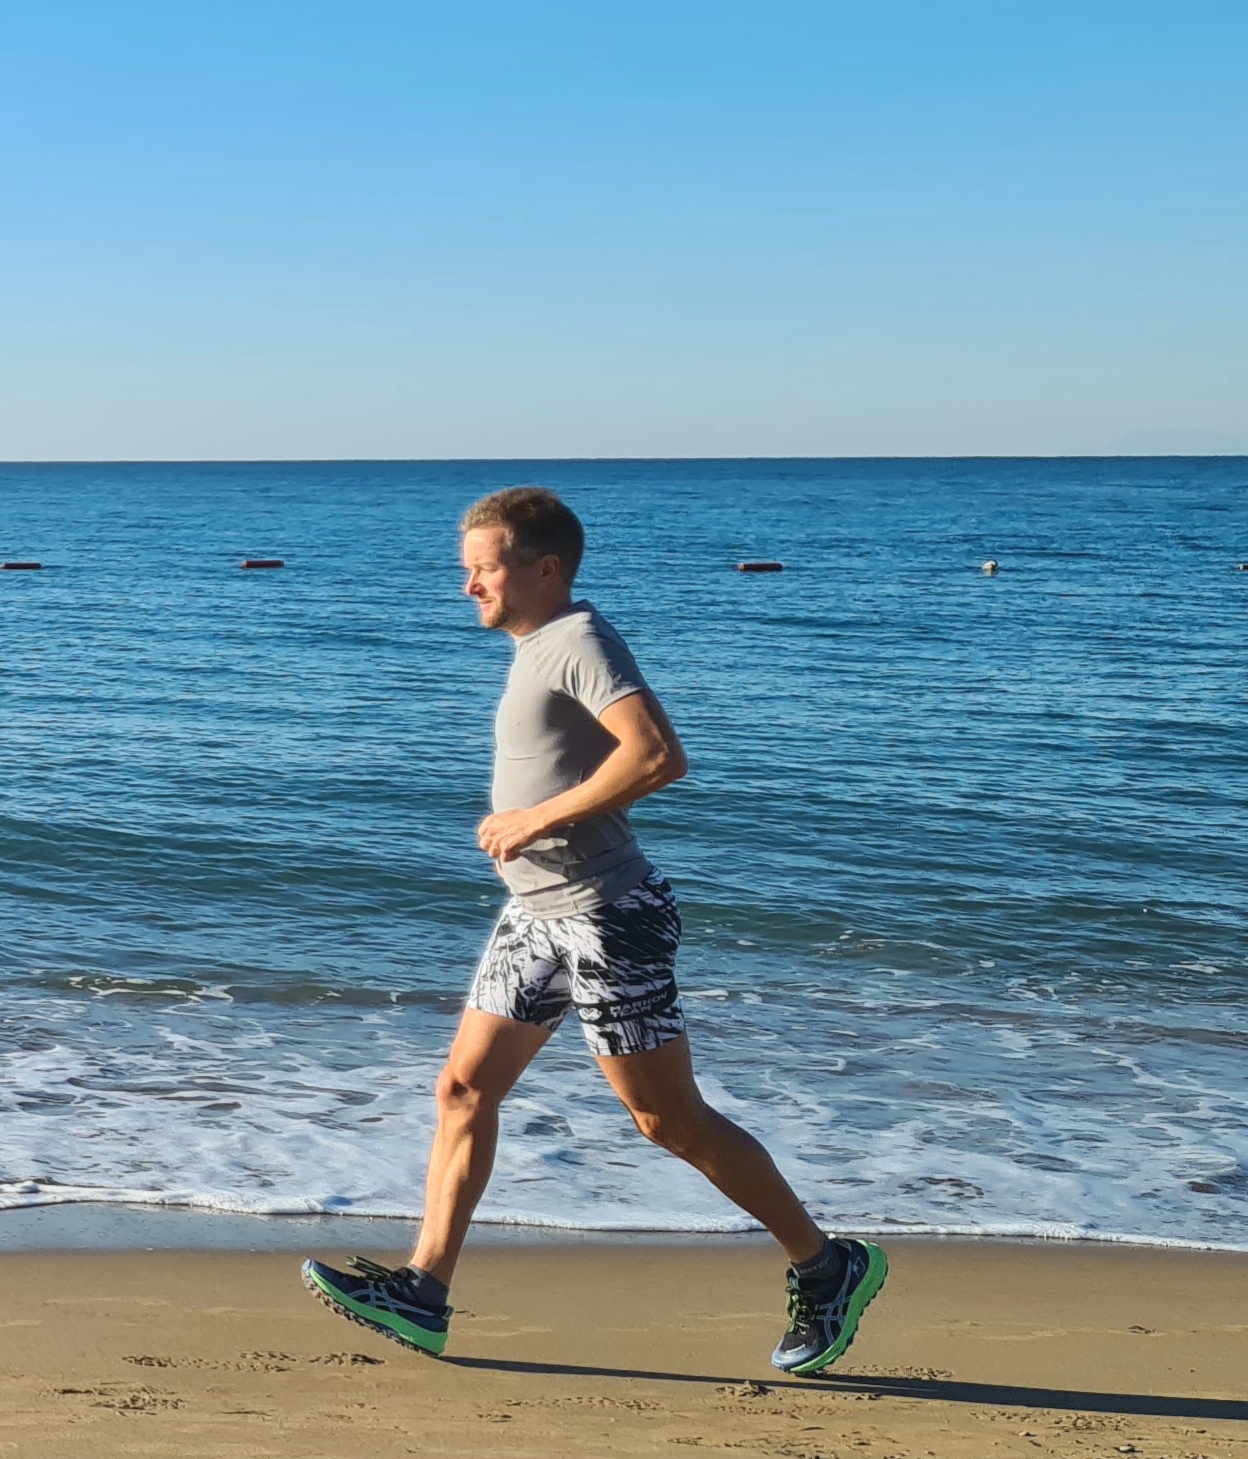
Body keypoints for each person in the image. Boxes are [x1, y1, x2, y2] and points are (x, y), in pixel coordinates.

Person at [301, 487, 886, 1374]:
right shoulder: (538, 647)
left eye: (484, 569)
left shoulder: (578, 639)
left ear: (544, 569)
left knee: (666, 1119)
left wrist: (534, 819)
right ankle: (424, 1289)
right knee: (463, 1089)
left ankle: (828, 1265)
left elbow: (657, 755)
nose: (469, 587)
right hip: (537, 915)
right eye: (467, 571)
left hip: (607, 915)